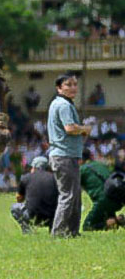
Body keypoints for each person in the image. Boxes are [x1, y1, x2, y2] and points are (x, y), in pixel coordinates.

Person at [47, 73, 91, 237]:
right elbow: (70, 128)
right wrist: (84, 129)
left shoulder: (58, 103)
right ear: (59, 88)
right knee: (68, 195)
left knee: (75, 195)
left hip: (66, 155)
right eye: (68, 85)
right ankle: (58, 232)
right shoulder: (64, 105)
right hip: (64, 155)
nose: (73, 88)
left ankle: (72, 231)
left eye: (74, 84)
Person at [10, 156, 58, 233]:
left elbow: (19, 198)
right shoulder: (55, 178)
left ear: (34, 167)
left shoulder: (25, 178)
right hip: (52, 218)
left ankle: (27, 231)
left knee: (14, 207)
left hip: (33, 216)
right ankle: (52, 230)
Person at [79, 148, 124, 231]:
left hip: (103, 201)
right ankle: (114, 221)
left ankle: (118, 220)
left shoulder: (82, 170)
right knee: (104, 220)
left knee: (87, 227)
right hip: (118, 199)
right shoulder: (100, 164)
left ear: (79, 159)